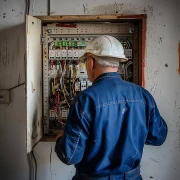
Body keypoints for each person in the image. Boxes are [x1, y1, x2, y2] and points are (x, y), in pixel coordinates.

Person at [55, 35, 167, 180]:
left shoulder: (86, 99)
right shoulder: (143, 95)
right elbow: (158, 137)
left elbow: (70, 156)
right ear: (118, 63)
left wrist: (60, 140)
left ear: (90, 62)